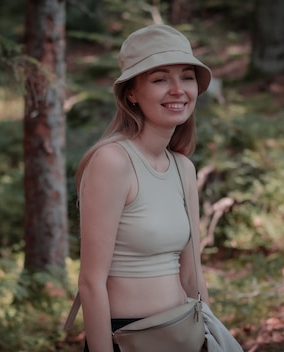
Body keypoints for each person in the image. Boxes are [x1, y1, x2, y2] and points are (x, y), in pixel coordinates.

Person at [75, 24, 212, 352]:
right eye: (160, 78)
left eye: (187, 77)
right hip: (128, 339)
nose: (178, 89)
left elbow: (192, 275)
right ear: (131, 93)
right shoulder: (113, 162)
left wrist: (210, 335)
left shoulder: (183, 168)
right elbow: (91, 283)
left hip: (184, 333)